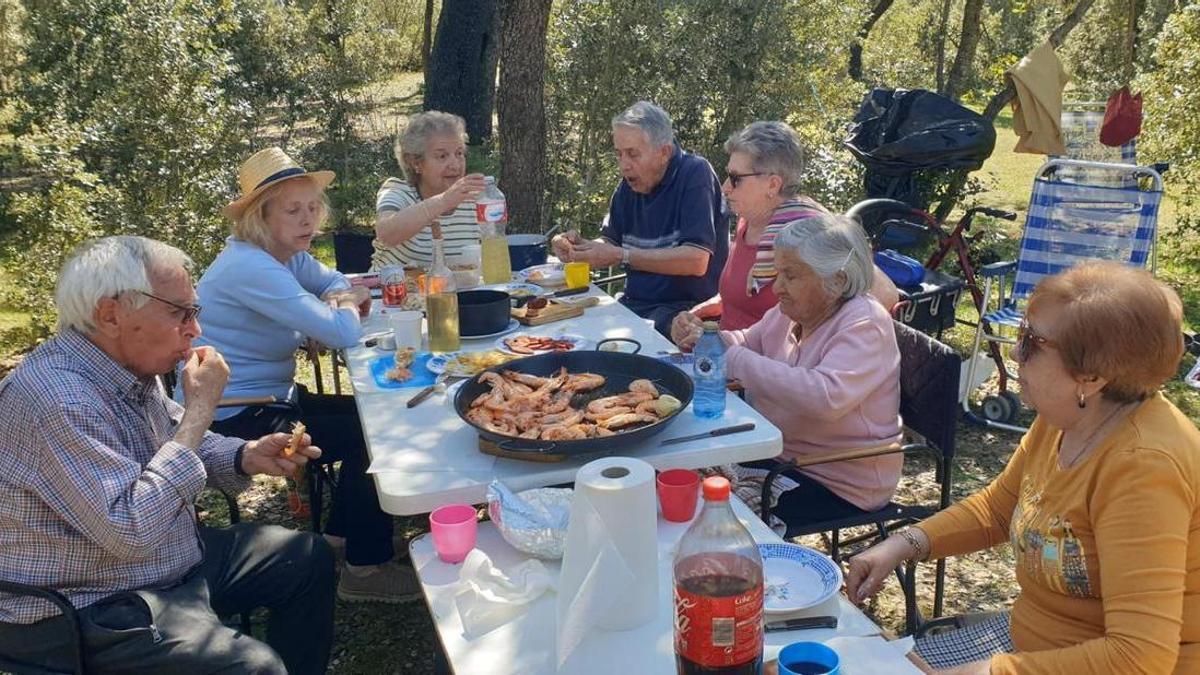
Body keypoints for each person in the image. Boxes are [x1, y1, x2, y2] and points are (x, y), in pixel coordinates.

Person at [847, 261, 1200, 675]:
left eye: (1031, 341)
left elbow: (1138, 657)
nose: (1015, 352)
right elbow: (999, 508)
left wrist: (990, 672)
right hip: (1031, 645)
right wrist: (903, 544)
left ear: (1091, 377)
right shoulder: (1068, 416)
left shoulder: (1144, 469)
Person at [0, 236, 332, 674]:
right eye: (180, 313)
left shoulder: (127, 363)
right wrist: (201, 409)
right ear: (111, 315)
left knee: (306, 557)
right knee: (253, 667)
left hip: (163, 561)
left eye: (194, 312)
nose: (195, 330)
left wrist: (245, 455)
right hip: (83, 602)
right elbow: (130, 531)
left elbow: (177, 438)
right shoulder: (57, 399)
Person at [192, 146, 417, 603]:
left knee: (374, 419)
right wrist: (344, 305)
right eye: (293, 210)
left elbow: (335, 281)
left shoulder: (283, 255)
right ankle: (364, 570)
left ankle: (342, 538)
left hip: (272, 398)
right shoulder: (251, 266)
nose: (308, 220)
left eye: (313, 207)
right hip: (233, 416)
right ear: (260, 217)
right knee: (374, 435)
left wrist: (338, 297)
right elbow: (342, 331)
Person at [674, 214, 902, 533]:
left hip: (835, 480)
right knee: (678, 477)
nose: (777, 287)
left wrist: (730, 356)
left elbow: (825, 398)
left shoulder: (864, 323)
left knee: (704, 514)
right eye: (777, 273)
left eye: (790, 276)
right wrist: (704, 339)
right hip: (780, 454)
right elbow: (745, 342)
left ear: (837, 280)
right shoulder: (793, 311)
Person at [670, 121, 898, 339]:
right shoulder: (747, 222)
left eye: (735, 178)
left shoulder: (810, 230)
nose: (725, 187)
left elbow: (886, 294)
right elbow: (747, 298)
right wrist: (700, 314)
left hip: (770, 364)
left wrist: (811, 344)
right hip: (727, 355)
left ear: (773, 184)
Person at [551, 101, 729, 335]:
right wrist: (580, 248)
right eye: (619, 154)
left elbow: (696, 260)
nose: (623, 165)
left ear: (664, 152)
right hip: (632, 308)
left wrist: (622, 255)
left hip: (684, 315)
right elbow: (611, 242)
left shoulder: (695, 174)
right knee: (564, 333)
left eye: (633, 154)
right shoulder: (628, 187)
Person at [372, 110, 489, 270]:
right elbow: (386, 234)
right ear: (416, 162)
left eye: (459, 153)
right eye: (442, 156)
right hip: (392, 285)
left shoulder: (475, 200)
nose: (455, 165)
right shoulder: (398, 191)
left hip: (454, 286)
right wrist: (444, 201)